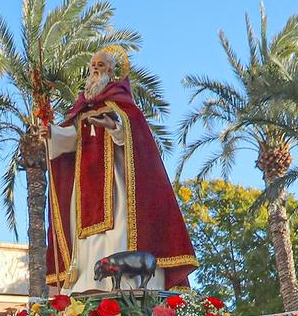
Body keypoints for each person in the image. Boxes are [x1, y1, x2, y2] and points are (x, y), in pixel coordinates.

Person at [45, 46, 198, 293]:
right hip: (85, 193)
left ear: (114, 73)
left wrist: (115, 126)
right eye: (93, 65)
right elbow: (71, 138)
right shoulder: (81, 110)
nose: (95, 69)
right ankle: (87, 287)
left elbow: (137, 142)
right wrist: (51, 133)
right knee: (85, 243)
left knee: (119, 233)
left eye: (101, 65)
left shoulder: (125, 108)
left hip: (119, 187)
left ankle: (125, 287)